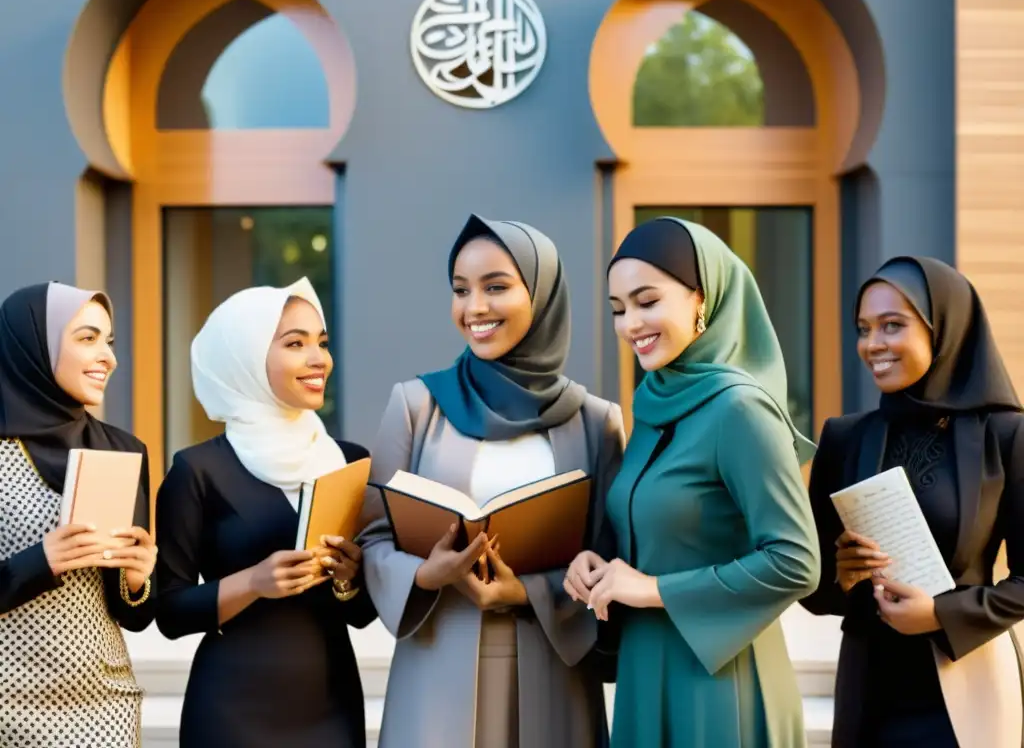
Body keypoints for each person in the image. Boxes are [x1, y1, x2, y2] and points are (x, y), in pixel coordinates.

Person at [358, 214, 624, 748]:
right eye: (460, 290)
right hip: (437, 662)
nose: (474, 308)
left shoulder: (596, 421)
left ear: (542, 294)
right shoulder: (415, 405)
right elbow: (372, 536)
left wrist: (526, 590)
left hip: (554, 668)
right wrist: (426, 575)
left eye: (496, 287)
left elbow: (609, 559)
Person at [564, 217, 820, 747]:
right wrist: (601, 564)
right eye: (617, 309)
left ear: (701, 299)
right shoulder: (658, 402)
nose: (630, 323)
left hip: (720, 679)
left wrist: (653, 589)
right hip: (646, 668)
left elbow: (797, 561)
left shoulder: (739, 408)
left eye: (647, 301)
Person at [800, 256, 1024, 748]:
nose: (872, 344)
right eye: (863, 329)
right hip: (869, 686)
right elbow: (813, 589)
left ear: (944, 328)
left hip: (965, 683)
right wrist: (840, 575)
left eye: (892, 325)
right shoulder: (844, 437)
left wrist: (943, 614)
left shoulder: (1005, 436)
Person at [154, 277, 376, 748]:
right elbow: (169, 612)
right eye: (295, 344)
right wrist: (254, 582)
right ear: (247, 358)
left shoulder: (349, 460)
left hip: (331, 703)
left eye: (321, 342)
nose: (319, 358)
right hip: (233, 708)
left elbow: (360, 614)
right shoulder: (197, 469)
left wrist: (350, 577)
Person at [0, 282, 157, 748]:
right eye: (87, 338)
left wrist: (137, 580)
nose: (108, 357)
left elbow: (135, 615)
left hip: (103, 706)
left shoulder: (123, 449)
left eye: (109, 342)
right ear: (33, 344)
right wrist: (39, 562)